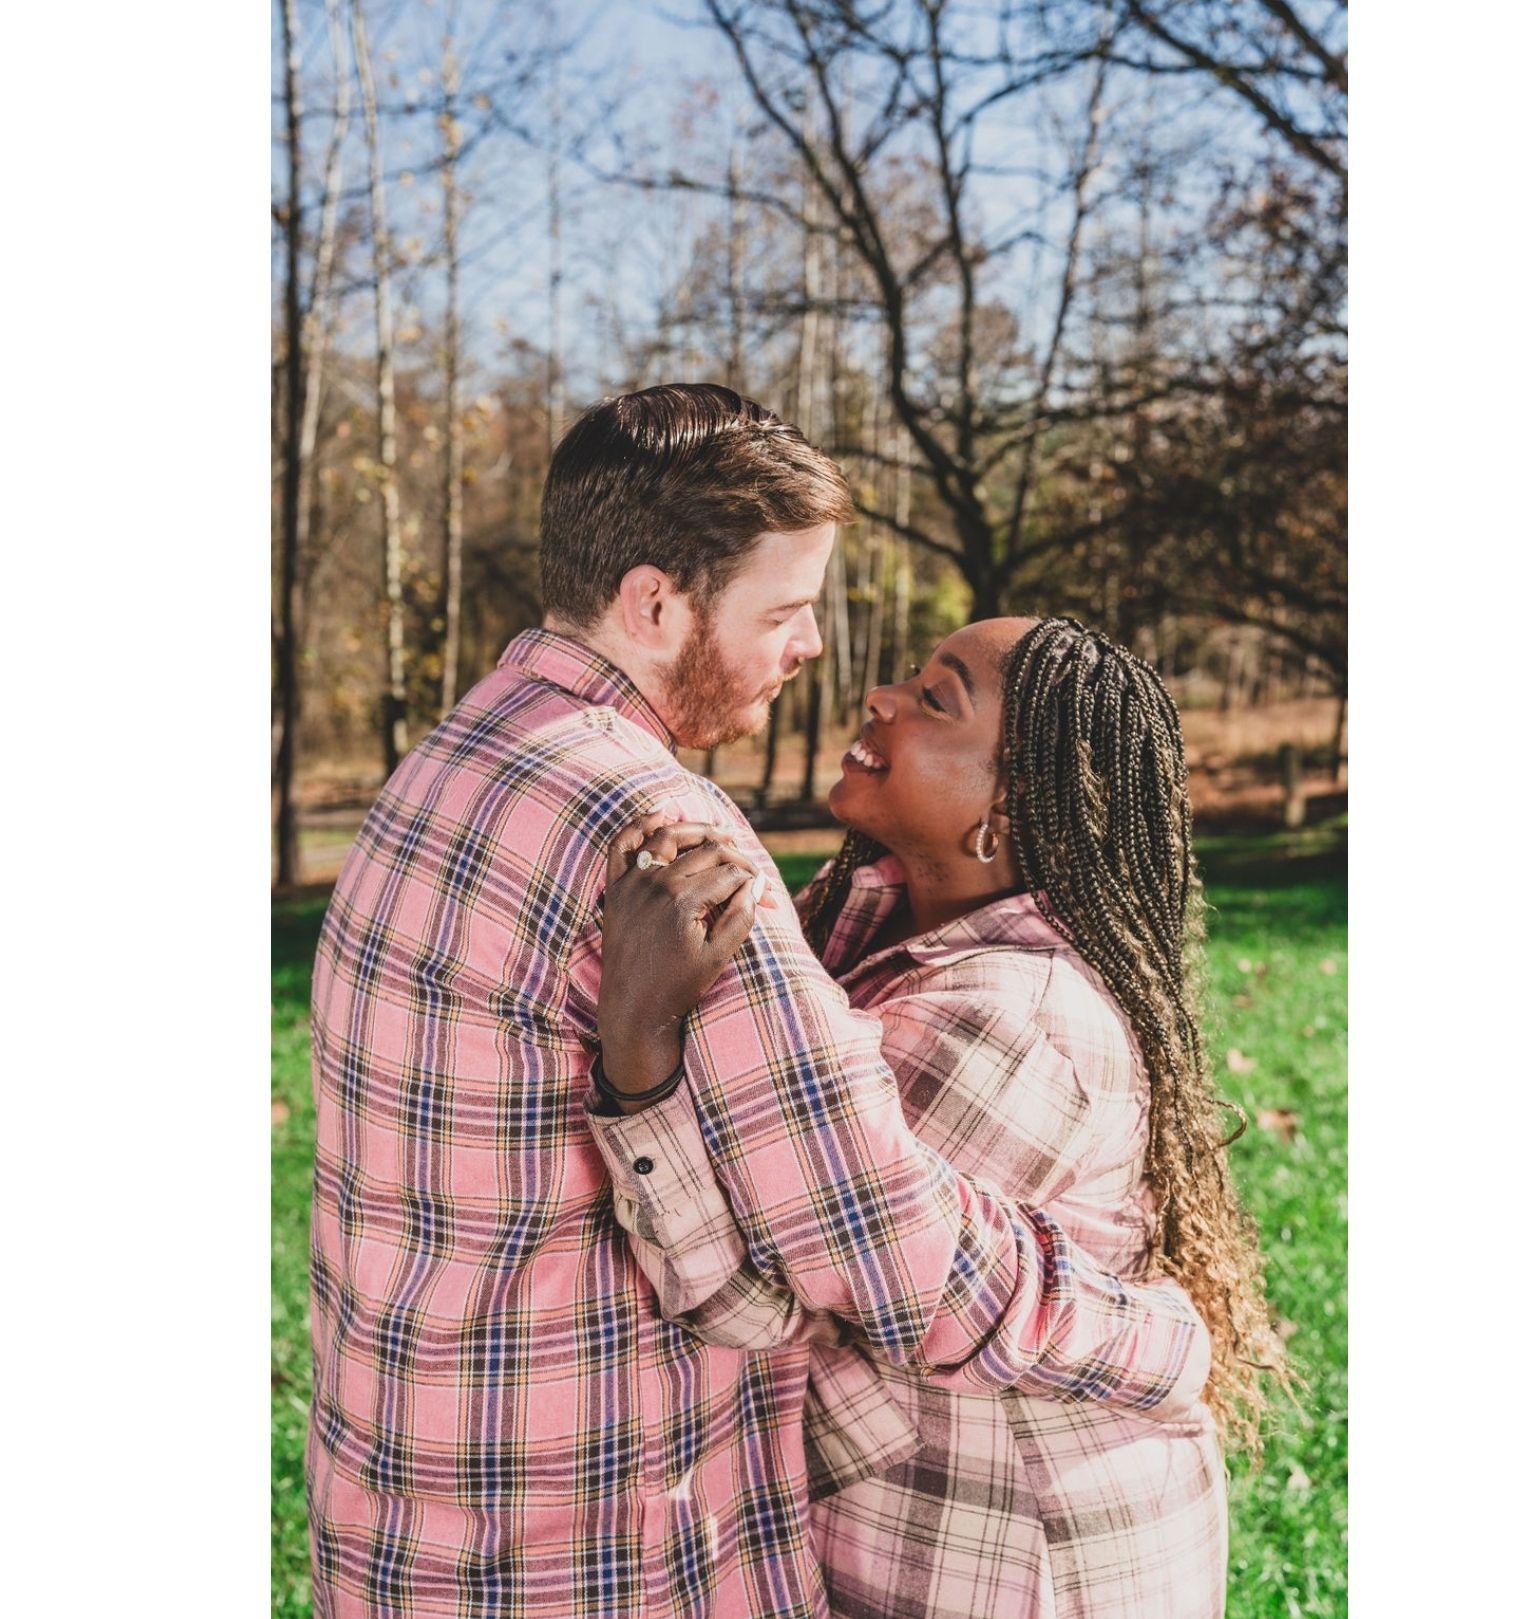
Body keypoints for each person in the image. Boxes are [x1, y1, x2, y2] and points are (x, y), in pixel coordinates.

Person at [305, 386, 1212, 1619]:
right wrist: (1161, 1336)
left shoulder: (450, 757)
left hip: (405, 1500)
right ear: (654, 604)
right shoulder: (659, 832)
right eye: (782, 611)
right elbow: (876, 1248)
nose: (819, 650)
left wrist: (639, 1066)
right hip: (584, 1533)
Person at [593, 616, 1292, 1619]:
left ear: (1006, 807)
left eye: (934, 699)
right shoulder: (873, 919)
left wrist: (638, 1050)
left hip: (1018, 1565)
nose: (879, 697)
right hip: (920, 1525)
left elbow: (763, 1303)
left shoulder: (1005, 1022)